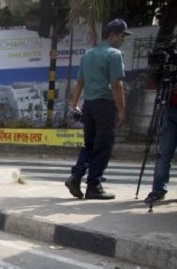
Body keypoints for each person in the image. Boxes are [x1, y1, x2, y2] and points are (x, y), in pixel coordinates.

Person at [65, 19, 131, 201]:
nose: (123, 40)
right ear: (113, 35)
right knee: (103, 146)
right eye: (122, 36)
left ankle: (76, 177)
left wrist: (74, 104)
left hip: (89, 106)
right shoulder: (114, 54)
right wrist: (122, 109)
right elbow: (117, 84)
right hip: (105, 106)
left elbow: (80, 83)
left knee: (90, 144)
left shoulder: (88, 55)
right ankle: (94, 185)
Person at [144, 85, 177, 203]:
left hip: (170, 109)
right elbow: (151, 81)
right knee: (163, 154)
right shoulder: (169, 68)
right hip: (170, 108)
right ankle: (158, 190)